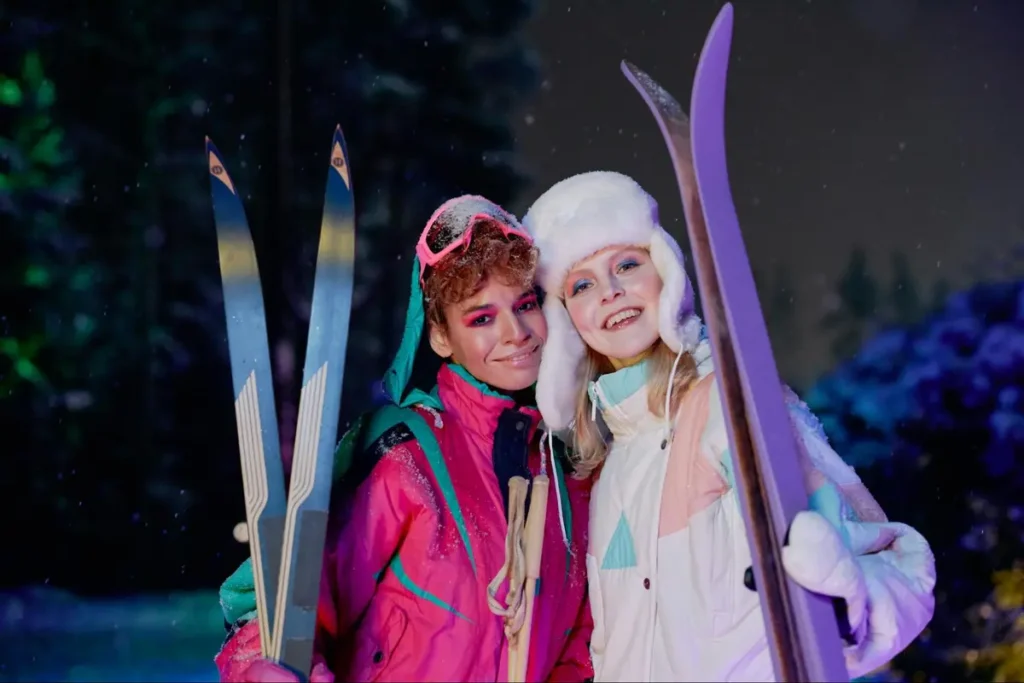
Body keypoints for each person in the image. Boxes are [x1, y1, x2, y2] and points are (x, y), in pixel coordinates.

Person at [521, 170, 936, 682]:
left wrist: (842, 600)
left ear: (666, 276)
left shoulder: (733, 403)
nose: (609, 291)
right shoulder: (607, 470)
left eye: (627, 264)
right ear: (567, 322)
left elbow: (892, 574)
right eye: (582, 284)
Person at [214, 195, 593, 682]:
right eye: (480, 318)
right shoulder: (404, 455)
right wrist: (263, 667)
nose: (515, 332)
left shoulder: (572, 473)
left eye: (524, 305)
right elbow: (282, 603)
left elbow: (577, 650)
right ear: (439, 334)